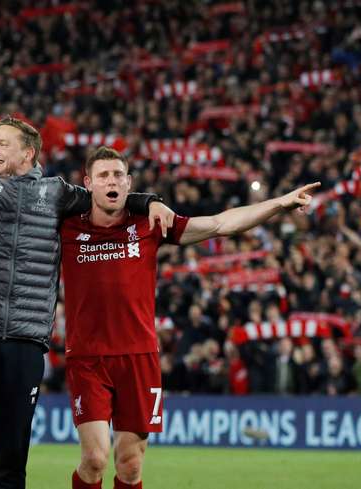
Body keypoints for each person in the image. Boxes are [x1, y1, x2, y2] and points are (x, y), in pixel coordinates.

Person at [0, 117, 173, 489]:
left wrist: (150, 201)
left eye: (0, 143)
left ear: (28, 153)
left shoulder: (58, 194)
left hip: (25, 343)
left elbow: (106, 197)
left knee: (12, 461)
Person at [60, 146, 319, 489]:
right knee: (94, 460)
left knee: (130, 465)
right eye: (104, 175)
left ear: (129, 184)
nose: (112, 181)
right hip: (88, 358)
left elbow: (219, 224)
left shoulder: (150, 223)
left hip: (139, 356)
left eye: (119, 175)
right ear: (88, 183)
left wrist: (278, 204)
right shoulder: (65, 227)